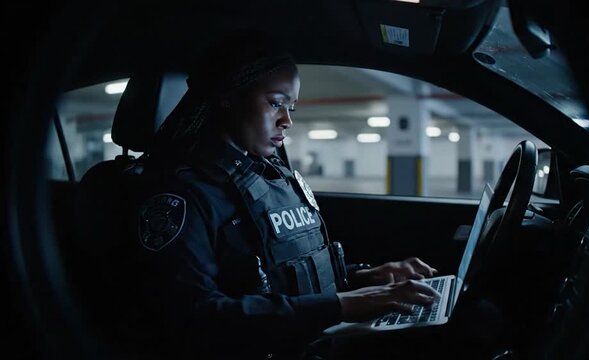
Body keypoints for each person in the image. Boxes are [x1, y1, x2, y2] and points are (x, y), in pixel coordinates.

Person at [128, 29, 441, 360]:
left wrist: (367, 278)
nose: (287, 120)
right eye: (276, 103)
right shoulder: (183, 196)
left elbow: (283, 275)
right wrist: (346, 304)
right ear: (229, 95)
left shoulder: (276, 177)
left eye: (291, 107)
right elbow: (196, 317)